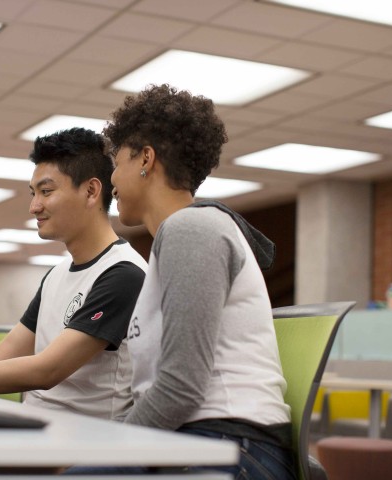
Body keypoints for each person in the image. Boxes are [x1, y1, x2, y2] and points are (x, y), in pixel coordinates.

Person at [73, 84, 295, 479]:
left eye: (116, 161)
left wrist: (109, 447)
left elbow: (180, 387)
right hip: (196, 441)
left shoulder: (192, 231)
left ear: (146, 158)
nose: (112, 178)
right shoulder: (173, 241)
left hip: (232, 447)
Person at [0, 128, 147, 420]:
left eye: (46, 191)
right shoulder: (57, 274)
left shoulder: (123, 274)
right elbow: (1, 354)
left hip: (86, 444)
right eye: (34, 193)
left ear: (91, 191)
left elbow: (47, 370)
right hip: (39, 430)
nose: (34, 206)